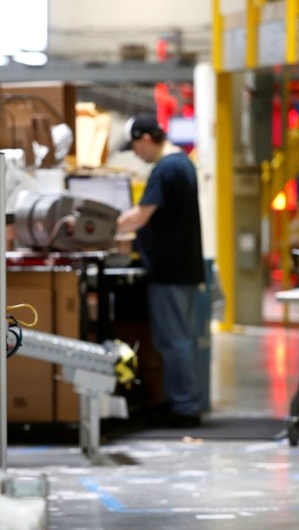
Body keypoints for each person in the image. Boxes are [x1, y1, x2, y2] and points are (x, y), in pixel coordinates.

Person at [116, 113, 205, 428]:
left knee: (173, 341)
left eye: (136, 148)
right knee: (180, 339)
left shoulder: (165, 169)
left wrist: (102, 226)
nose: (137, 155)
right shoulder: (183, 163)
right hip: (183, 268)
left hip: (170, 271)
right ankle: (182, 403)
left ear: (145, 139)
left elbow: (141, 215)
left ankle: (184, 408)